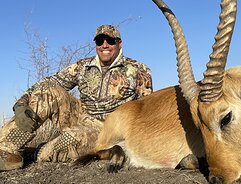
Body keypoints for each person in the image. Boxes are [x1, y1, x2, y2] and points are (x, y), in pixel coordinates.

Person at [0, 24, 152, 170]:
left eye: (110, 41)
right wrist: (21, 102)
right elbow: (49, 82)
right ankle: (5, 151)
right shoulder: (82, 66)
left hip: (107, 129)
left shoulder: (138, 69)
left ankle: (34, 153)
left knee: (67, 141)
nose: (105, 45)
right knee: (48, 91)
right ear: (96, 45)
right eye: (100, 41)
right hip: (80, 117)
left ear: (119, 43)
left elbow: (146, 109)